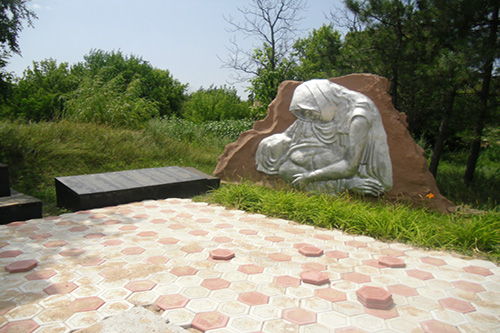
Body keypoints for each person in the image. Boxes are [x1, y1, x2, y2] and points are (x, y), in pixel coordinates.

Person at [255, 79, 392, 196]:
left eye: (308, 111)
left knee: (295, 164)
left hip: (351, 167)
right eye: (302, 113)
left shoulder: (359, 115)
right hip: (327, 161)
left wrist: (308, 177)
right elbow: (290, 134)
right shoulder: (316, 108)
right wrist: (273, 142)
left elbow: (350, 165)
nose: (307, 117)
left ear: (321, 100)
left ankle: (347, 184)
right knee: (286, 169)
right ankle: (339, 183)